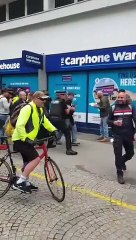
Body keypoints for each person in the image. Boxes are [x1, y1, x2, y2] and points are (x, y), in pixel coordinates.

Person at [12, 91, 58, 193]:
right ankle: (20, 182)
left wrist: (54, 130)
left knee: (28, 162)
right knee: (36, 159)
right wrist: (26, 138)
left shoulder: (40, 110)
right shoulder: (28, 108)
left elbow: (45, 122)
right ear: (35, 98)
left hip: (28, 140)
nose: (44, 102)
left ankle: (26, 182)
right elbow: (19, 125)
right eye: (42, 99)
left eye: (45, 100)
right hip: (20, 139)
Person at [107, 91, 136, 184]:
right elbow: (108, 121)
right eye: (118, 97)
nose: (119, 99)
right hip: (117, 135)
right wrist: (114, 122)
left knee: (131, 153)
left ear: (125, 98)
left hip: (128, 134)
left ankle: (122, 161)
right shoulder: (113, 107)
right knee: (117, 154)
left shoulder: (131, 107)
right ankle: (119, 174)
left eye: (121, 97)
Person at [49, 91, 78, 155]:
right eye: (65, 95)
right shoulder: (62, 101)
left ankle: (49, 144)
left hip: (51, 119)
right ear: (62, 95)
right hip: (59, 119)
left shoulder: (53, 101)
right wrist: (71, 108)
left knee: (52, 131)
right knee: (67, 133)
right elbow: (67, 112)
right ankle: (69, 150)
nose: (66, 96)